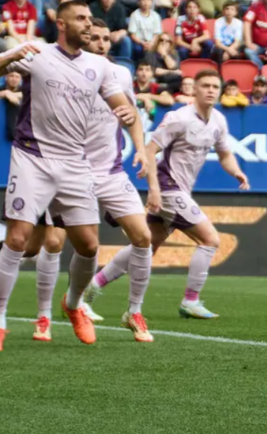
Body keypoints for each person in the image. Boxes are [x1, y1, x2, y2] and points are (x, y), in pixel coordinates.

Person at [0, 1, 153, 352]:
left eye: (89, 19)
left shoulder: (99, 66)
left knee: (87, 245)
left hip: (74, 162)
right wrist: (10, 58)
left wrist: (126, 112)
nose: (88, 25)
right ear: (62, 22)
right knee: (20, 238)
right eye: (81, 19)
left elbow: (120, 102)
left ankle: (72, 304)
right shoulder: (36, 52)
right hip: (32, 157)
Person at [91, 69, 248, 320]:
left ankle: (91, 288)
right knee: (210, 239)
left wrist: (237, 173)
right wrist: (154, 190)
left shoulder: (218, 120)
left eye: (214, 87)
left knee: (146, 247)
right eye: (205, 85)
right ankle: (191, 300)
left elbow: (225, 154)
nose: (210, 90)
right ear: (194, 89)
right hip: (168, 188)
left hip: (179, 189)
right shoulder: (179, 117)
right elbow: (150, 151)